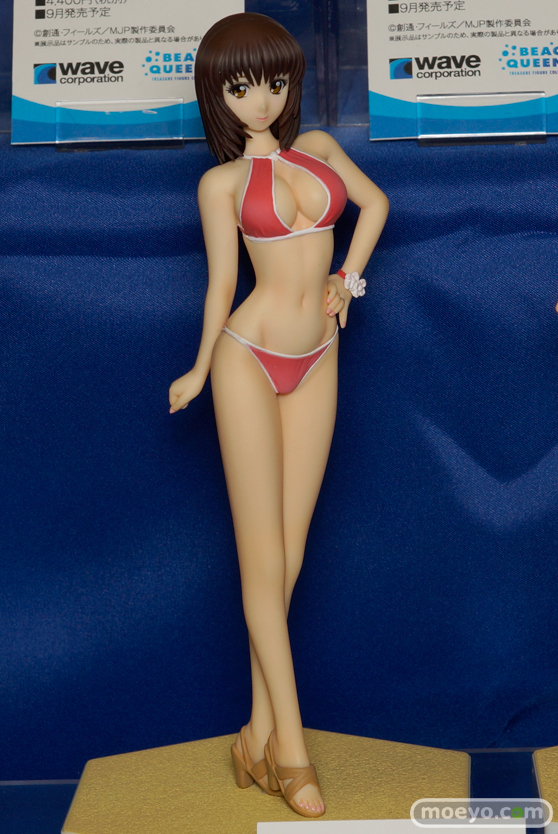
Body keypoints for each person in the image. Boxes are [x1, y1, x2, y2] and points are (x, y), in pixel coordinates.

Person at [169, 12, 389, 818]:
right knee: (262, 559)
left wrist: (347, 280)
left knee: (290, 552)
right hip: (248, 357)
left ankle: (253, 733)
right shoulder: (220, 185)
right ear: (218, 95)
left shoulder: (321, 148)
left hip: (321, 353)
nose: (260, 100)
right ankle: (289, 750)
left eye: (274, 81)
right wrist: (200, 367)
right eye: (240, 87)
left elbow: (375, 205)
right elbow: (221, 285)